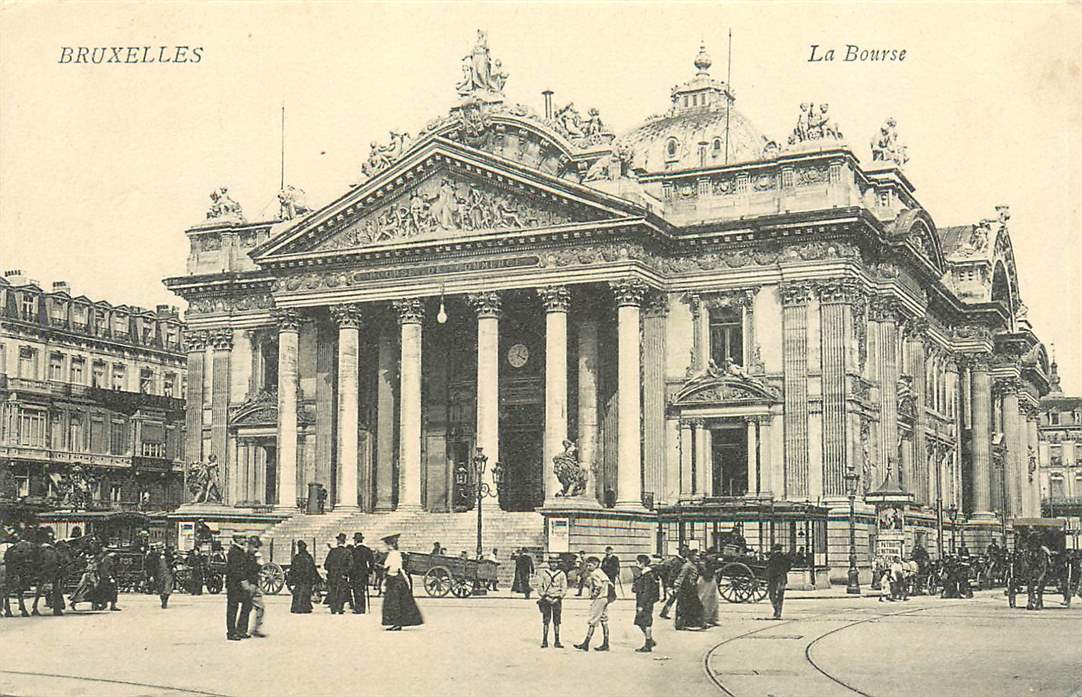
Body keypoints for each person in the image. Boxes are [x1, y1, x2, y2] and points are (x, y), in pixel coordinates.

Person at [381, 533, 423, 630]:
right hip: (396, 579)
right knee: (396, 601)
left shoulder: (394, 554)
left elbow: (394, 568)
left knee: (395, 602)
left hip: (395, 580)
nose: (386, 547)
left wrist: (386, 573)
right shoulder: (395, 554)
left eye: (387, 545)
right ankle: (396, 623)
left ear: (390, 545)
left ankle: (397, 623)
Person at [574, 556, 613, 652]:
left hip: (599, 599)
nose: (588, 567)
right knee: (604, 620)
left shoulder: (594, 573)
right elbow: (610, 584)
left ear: (595, 565)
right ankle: (606, 643)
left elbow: (598, 586)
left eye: (589, 565)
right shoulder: (601, 572)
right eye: (587, 565)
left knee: (593, 621)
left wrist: (594, 594)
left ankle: (586, 643)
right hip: (605, 598)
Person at [536, 556, 567, 648]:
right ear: (549, 564)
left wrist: (559, 597)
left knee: (557, 621)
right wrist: (545, 596)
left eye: (555, 563)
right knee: (546, 620)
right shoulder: (544, 574)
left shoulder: (561, 574)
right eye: (552, 562)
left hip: (557, 599)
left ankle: (557, 641)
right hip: (547, 599)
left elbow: (564, 587)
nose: (554, 564)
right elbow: (540, 587)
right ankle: (544, 640)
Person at [225, 537, 252, 640]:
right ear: (237, 539)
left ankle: (241, 629)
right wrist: (243, 580)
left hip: (240, 583)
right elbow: (237, 568)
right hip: (235, 584)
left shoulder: (241, 550)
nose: (245, 540)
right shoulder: (234, 551)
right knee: (233, 608)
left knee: (247, 605)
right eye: (243, 538)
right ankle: (231, 632)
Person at [632, 554, 660, 652]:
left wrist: (641, 605)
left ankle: (648, 644)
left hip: (645, 603)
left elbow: (646, 592)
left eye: (637, 563)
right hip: (645, 602)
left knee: (646, 622)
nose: (636, 564)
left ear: (642, 563)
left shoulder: (648, 575)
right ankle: (650, 640)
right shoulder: (644, 574)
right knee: (640, 621)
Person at [673, 549, 704, 630]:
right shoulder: (687, 566)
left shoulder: (694, 565)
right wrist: (676, 586)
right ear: (691, 556)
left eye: (698, 556)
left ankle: (693, 623)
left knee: (694, 606)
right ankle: (683, 625)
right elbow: (681, 576)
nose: (697, 557)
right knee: (685, 607)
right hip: (686, 588)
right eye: (696, 556)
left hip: (692, 588)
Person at [289, 541, 320, 613]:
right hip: (307, 580)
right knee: (306, 593)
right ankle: (305, 608)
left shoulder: (297, 557)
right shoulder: (308, 557)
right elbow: (313, 569)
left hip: (299, 579)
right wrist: (317, 578)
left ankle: (297, 607)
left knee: (298, 592)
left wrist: (291, 580)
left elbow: (293, 569)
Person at [325, 533, 352, 615]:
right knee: (341, 592)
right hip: (342, 575)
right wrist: (346, 573)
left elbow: (326, 564)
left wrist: (330, 571)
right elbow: (350, 565)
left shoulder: (332, 551)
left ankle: (333, 608)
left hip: (333, 575)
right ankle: (340, 608)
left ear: (338, 541)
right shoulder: (347, 552)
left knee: (333, 591)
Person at [658, 547, 687, 619]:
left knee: (673, 598)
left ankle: (664, 612)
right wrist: (670, 585)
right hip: (674, 582)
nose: (687, 553)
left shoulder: (678, 560)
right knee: (677, 598)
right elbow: (673, 574)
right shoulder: (677, 562)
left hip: (673, 582)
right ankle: (679, 615)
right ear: (682, 552)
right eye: (685, 551)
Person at [246, 537, 267, 637]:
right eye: (255, 546)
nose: (256, 549)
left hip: (255, 584)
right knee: (249, 608)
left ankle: (254, 628)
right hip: (250, 585)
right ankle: (248, 629)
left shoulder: (254, 556)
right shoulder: (248, 557)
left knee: (259, 607)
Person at [350, 532, 375, 614]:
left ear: (356, 541)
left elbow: (351, 562)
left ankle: (358, 608)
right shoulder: (367, 550)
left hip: (355, 573)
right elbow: (371, 562)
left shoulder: (354, 550)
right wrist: (369, 571)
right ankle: (362, 607)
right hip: (364, 573)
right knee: (362, 589)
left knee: (356, 590)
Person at [765, 544, 791, 619]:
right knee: (780, 595)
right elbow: (788, 567)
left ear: (775, 549)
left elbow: (769, 568)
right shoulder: (785, 557)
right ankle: (779, 612)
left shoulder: (772, 557)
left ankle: (776, 608)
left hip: (773, 579)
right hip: (782, 578)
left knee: (771, 595)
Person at [697, 553, 720, 627]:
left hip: (710, 579)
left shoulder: (705, 561)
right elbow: (703, 572)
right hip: (705, 580)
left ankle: (712, 618)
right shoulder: (702, 562)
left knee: (713, 599)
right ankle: (704, 619)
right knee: (705, 599)